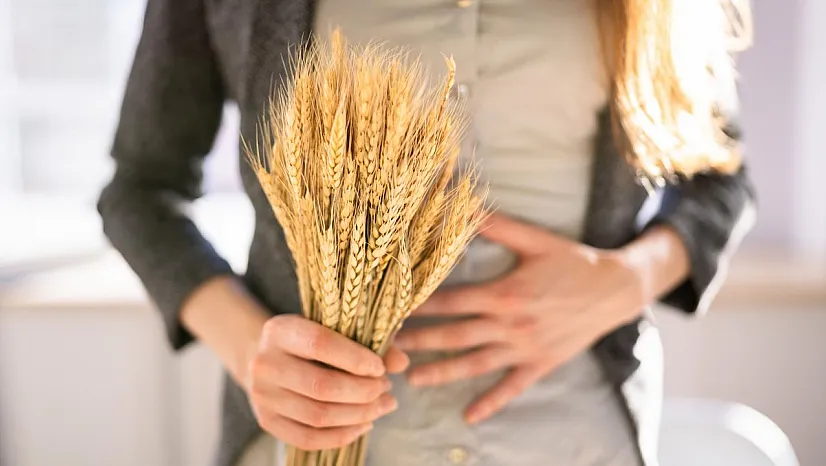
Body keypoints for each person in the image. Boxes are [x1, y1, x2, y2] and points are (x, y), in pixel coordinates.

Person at [97, 0, 756, 465]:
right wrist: (252, 352)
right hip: (317, 451)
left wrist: (628, 278)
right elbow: (141, 190)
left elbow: (721, 180)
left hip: (575, 441)